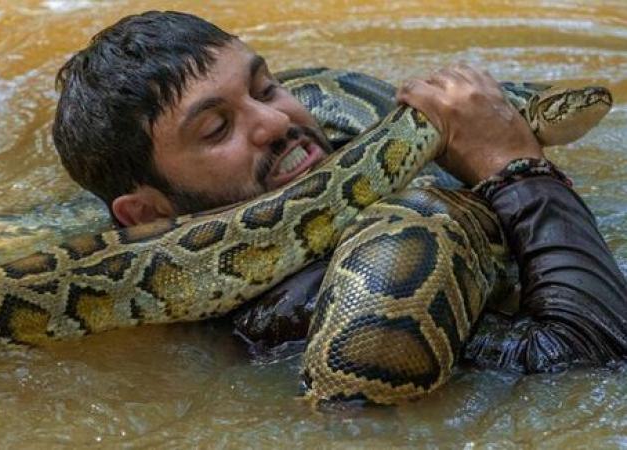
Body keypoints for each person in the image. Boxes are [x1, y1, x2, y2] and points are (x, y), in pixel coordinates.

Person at [52, 10, 627, 374]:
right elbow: (585, 359)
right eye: (217, 129)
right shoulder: (300, 318)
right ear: (148, 214)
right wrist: (512, 168)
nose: (275, 122)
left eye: (266, 86)